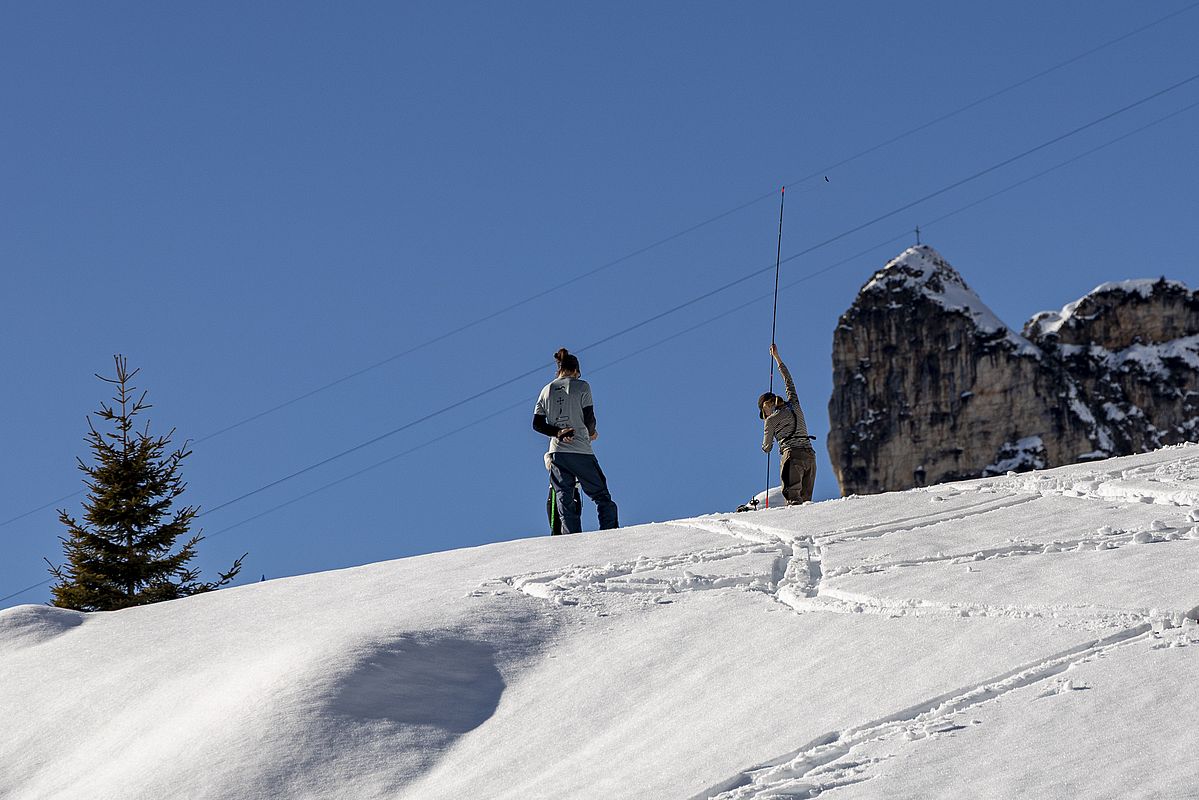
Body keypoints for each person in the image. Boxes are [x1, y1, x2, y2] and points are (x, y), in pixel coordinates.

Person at [533, 348, 619, 533]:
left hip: (558, 452)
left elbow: (537, 424)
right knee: (601, 495)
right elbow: (589, 417)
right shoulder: (582, 386)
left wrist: (558, 432)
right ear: (575, 371)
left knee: (564, 494)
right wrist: (591, 433)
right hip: (581, 449)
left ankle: (571, 538)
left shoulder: (545, 390)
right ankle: (610, 532)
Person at [759, 343, 816, 505]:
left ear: (765, 407)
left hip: (792, 457)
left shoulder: (770, 420)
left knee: (793, 501)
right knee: (806, 502)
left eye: (764, 413)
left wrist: (768, 430)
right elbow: (788, 380)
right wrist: (776, 357)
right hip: (810, 457)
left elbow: (767, 447)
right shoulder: (794, 402)